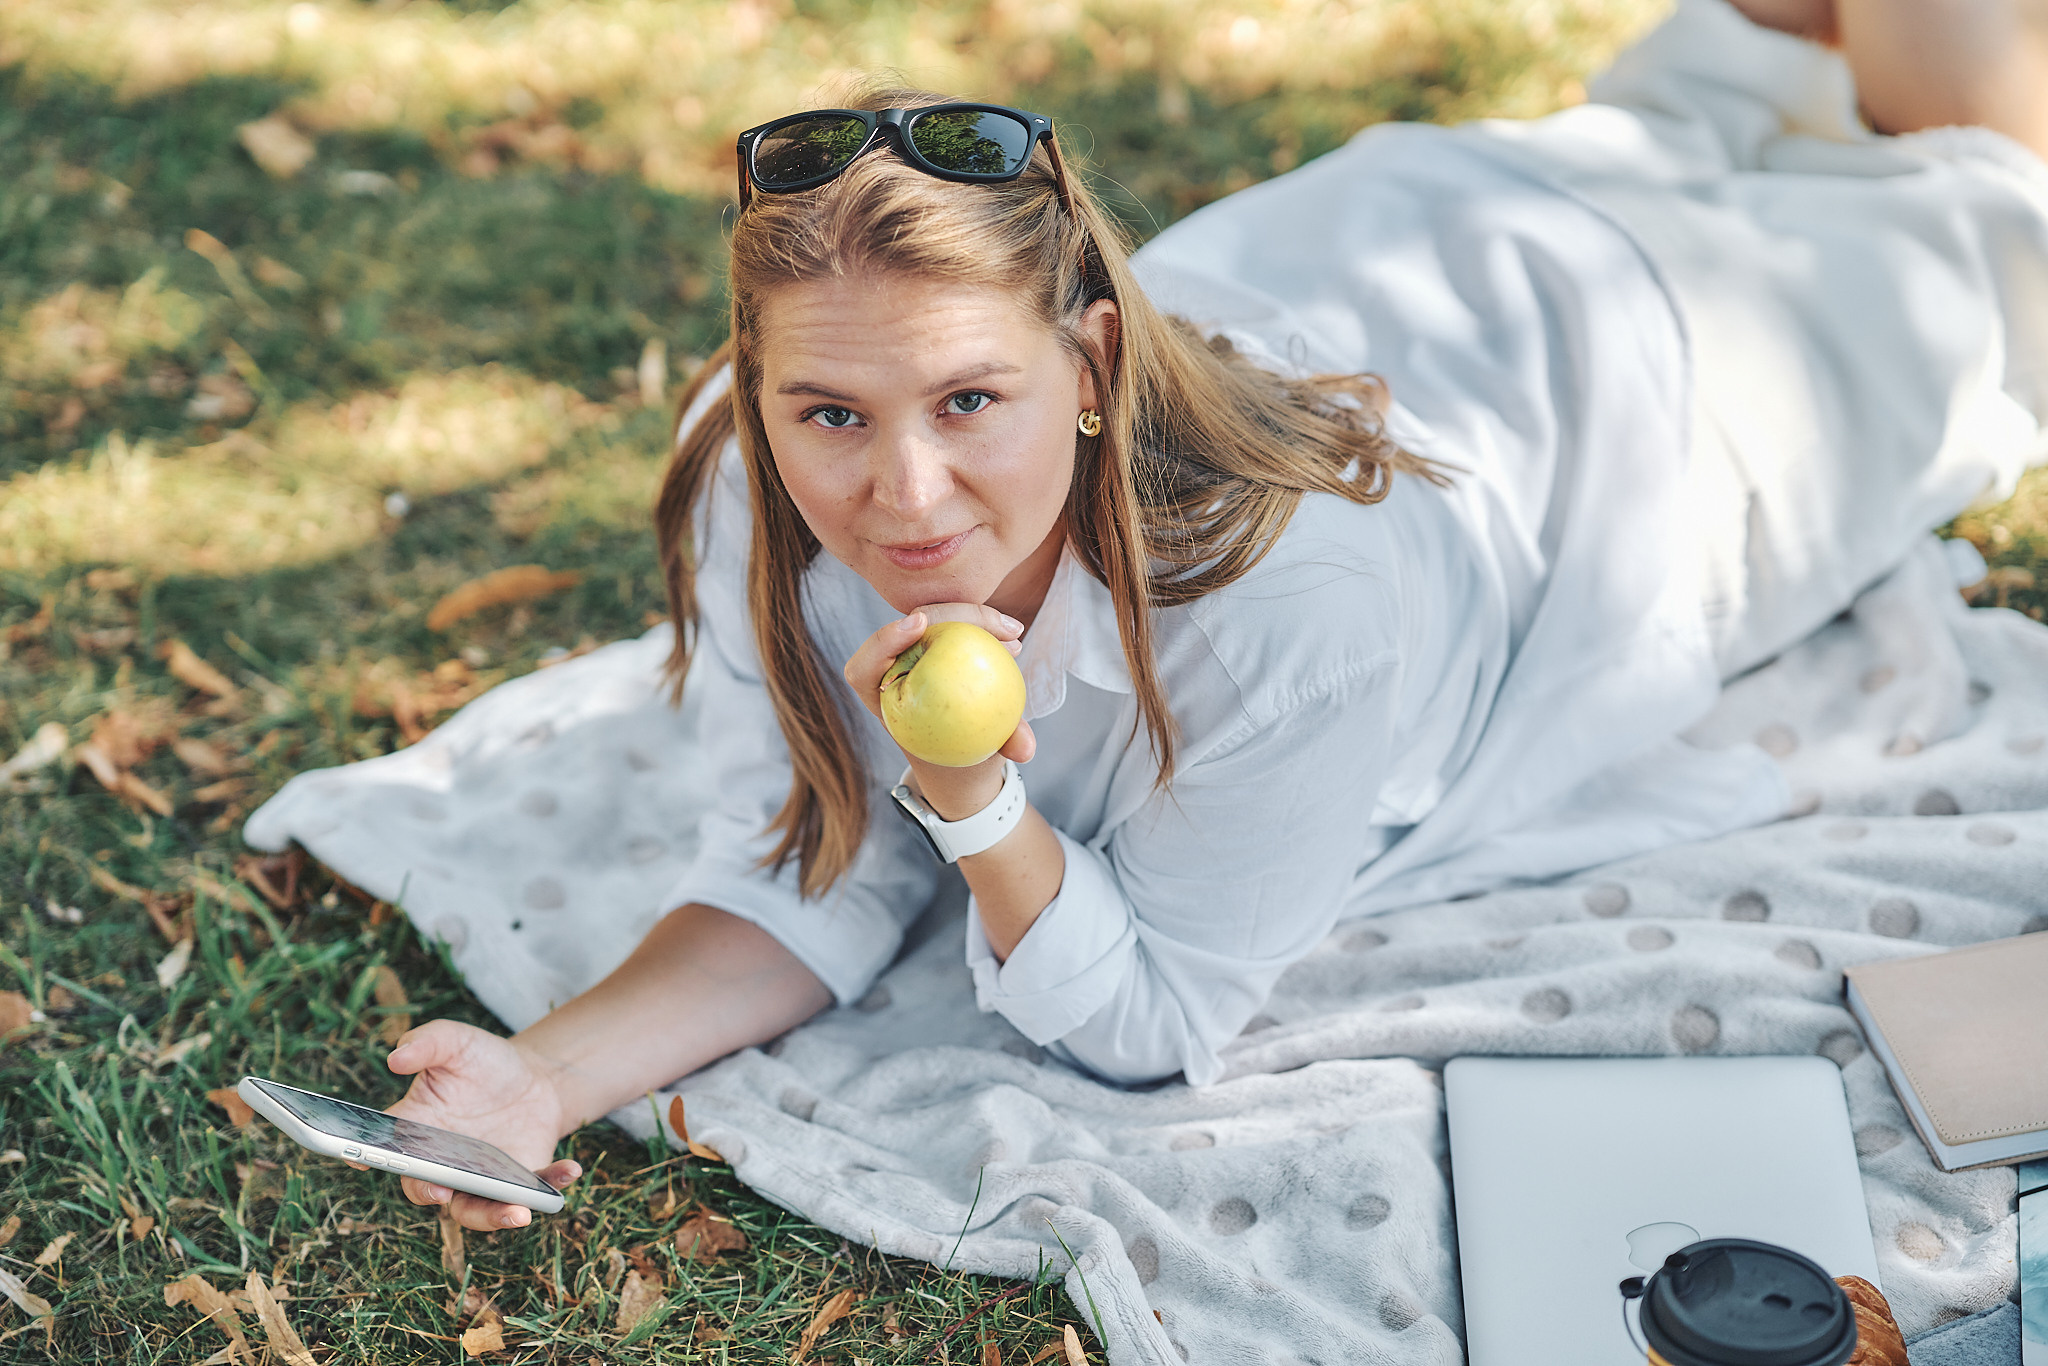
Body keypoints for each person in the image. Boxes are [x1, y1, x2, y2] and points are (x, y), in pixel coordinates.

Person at [370, 0, 2048, 1232]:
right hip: (1442, 240)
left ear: (1092, 362)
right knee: (1771, 91)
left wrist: (975, 807)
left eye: (970, 400)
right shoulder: (750, 490)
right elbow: (817, 861)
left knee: (1995, 199)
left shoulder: (1287, 600)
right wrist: (543, 1077)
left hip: (1670, 407)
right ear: (760, 392)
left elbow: (1156, 1024)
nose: (904, 496)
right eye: (831, 414)